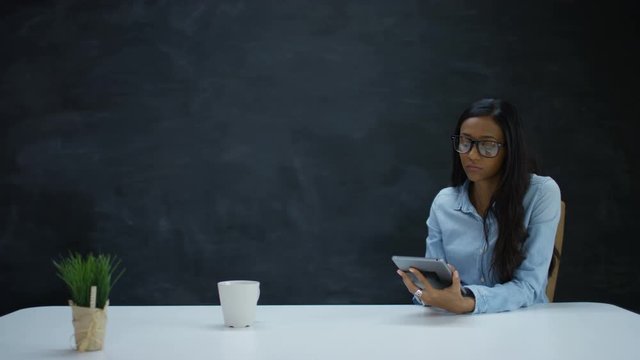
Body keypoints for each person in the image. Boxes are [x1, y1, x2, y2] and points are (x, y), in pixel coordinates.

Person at [396, 98, 561, 314]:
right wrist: (423, 294)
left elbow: (530, 286)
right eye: (465, 142)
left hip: (523, 324)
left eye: (488, 145)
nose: (471, 155)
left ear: (510, 149)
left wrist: (469, 301)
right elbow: (434, 287)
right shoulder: (444, 202)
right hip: (459, 325)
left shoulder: (541, 193)